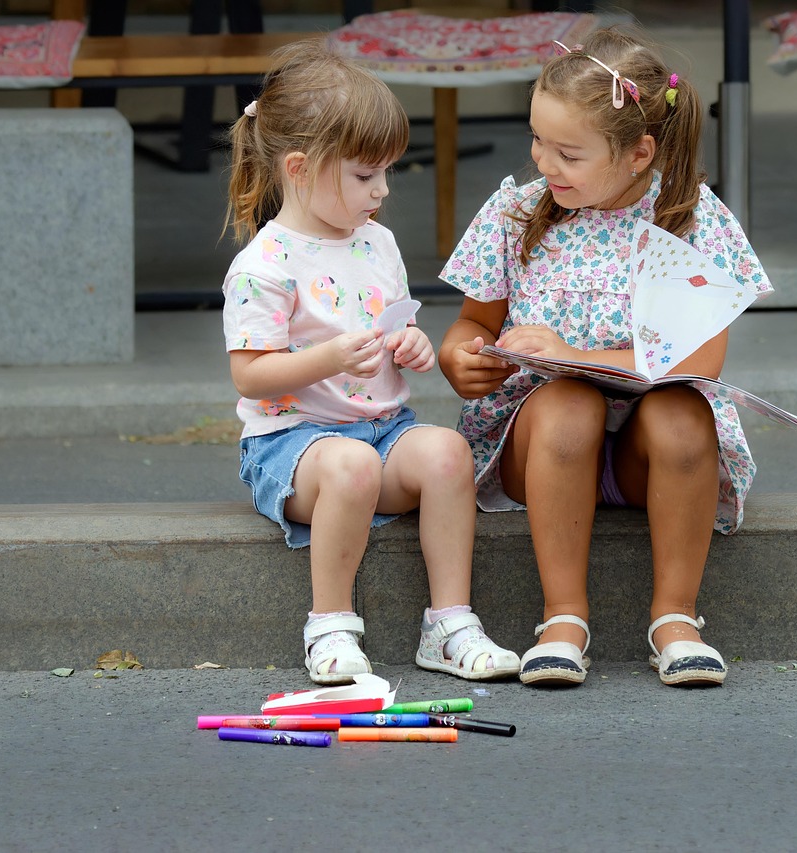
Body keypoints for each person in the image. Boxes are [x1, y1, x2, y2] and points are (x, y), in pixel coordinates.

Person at [438, 28, 773, 688]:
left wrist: (574, 351)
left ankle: (676, 618)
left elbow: (701, 358)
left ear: (638, 153)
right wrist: (461, 357)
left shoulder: (685, 217)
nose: (545, 164)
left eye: (568, 152)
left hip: (652, 460)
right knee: (569, 401)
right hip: (544, 448)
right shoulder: (519, 211)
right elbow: (472, 322)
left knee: (681, 413)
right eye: (537, 141)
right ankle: (563, 618)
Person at [221, 40, 519, 686]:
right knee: (351, 465)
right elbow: (250, 376)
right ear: (299, 168)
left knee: (447, 451)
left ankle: (450, 621)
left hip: (382, 430)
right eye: (364, 175)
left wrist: (409, 344)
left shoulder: (376, 242)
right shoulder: (264, 265)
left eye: (386, 171)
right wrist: (324, 357)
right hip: (293, 446)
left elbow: (395, 323)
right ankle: (329, 623)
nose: (382, 189)